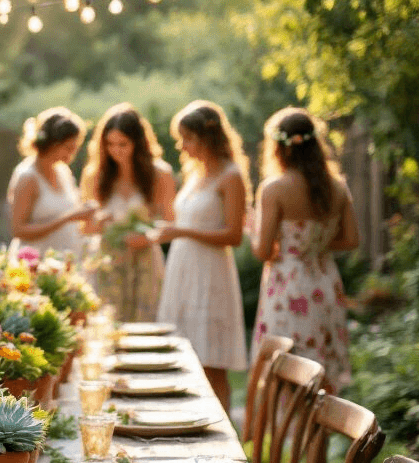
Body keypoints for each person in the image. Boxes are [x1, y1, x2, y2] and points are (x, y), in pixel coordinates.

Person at [250, 108, 359, 392]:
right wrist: (316, 246)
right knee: (320, 372)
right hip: (324, 282)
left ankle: (286, 434)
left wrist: (252, 231)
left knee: (286, 366)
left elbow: (263, 251)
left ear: (278, 147)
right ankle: (317, 435)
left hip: (289, 286)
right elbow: (351, 240)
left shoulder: (274, 188)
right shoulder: (337, 187)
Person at [155, 101, 248, 412]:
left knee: (211, 360)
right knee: (182, 356)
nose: (182, 146)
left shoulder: (231, 176)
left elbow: (234, 235)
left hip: (211, 274)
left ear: (207, 137)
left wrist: (181, 232)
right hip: (183, 270)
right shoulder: (195, 174)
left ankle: (224, 439)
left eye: (188, 138)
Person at [79, 103, 176, 322]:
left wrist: (148, 235)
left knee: (147, 325)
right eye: (110, 144)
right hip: (107, 262)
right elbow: (85, 228)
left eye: (123, 144)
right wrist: (100, 223)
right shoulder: (94, 174)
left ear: (138, 143)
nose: (116, 151)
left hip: (145, 263)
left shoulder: (160, 173)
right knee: (108, 326)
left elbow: (170, 223)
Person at [7, 107, 98, 260]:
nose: (73, 153)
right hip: (36, 265)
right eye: (68, 147)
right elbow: (19, 230)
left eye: (76, 147)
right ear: (52, 143)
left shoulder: (63, 171)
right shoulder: (28, 177)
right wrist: (67, 218)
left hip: (65, 263)